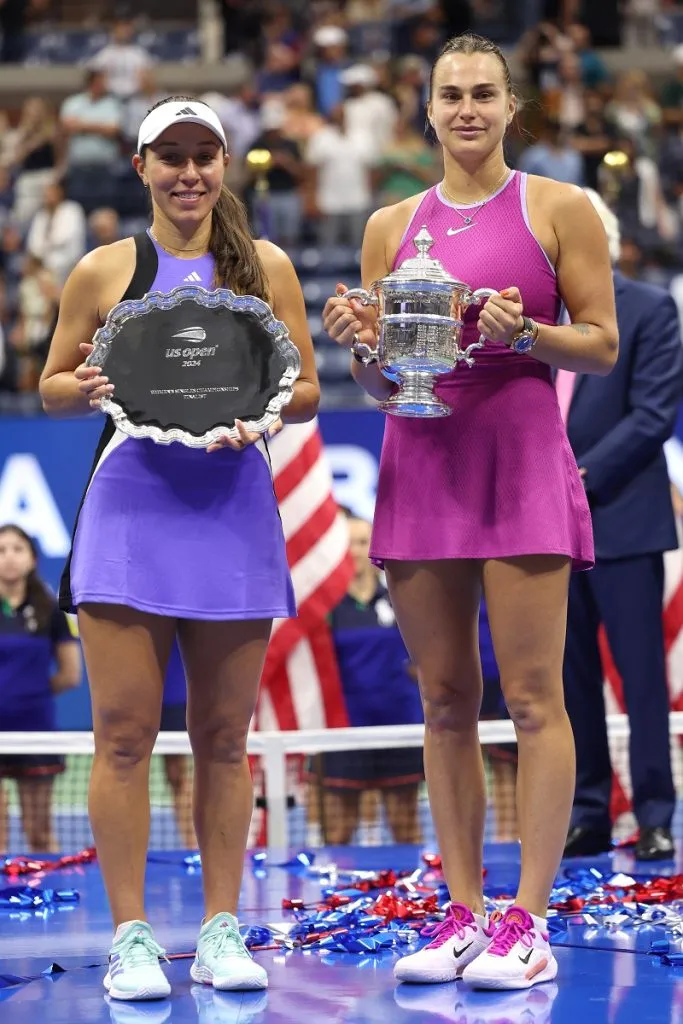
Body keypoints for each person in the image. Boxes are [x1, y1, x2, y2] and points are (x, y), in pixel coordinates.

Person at [323, 33, 618, 990]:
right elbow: (384, 382)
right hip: (421, 461)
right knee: (444, 699)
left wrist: (525, 332)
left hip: (519, 459)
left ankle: (526, 921)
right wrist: (359, 348)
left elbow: (601, 345)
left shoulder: (559, 208)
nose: (466, 110)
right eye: (450, 94)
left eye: (483, 94)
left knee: (531, 697)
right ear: (427, 109)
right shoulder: (389, 225)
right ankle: (462, 910)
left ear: (509, 106)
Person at [39, 95, 319, 1001]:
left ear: (224, 164)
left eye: (204, 155)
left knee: (224, 740)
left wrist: (262, 413)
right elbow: (50, 387)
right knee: (122, 737)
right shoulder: (102, 269)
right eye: (171, 156)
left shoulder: (266, 266)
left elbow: (306, 390)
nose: (189, 172)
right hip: (129, 514)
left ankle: (220, 932)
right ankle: (130, 939)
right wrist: (86, 385)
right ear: (142, 167)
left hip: (232, 510)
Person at [560, 189, 683, 862]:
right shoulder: (532, 316)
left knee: (641, 679)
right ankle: (588, 813)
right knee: (568, 677)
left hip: (622, 522)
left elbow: (653, 414)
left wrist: (575, 477)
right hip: (548, 528)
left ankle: (656, 813)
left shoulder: (649, 307)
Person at [311, 514, 424, 846]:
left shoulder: (399, 598)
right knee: (339, 831)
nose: (357, 551)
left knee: (405, 828)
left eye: (363, 543)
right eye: (349, 544)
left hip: (399, 728)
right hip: (343, 731)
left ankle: (412, 883)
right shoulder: (324, 607)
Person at [0, 524, 81, 853]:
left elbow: (70, 674)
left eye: (17, 549)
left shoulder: (50, 609)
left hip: (35, 731)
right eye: (1, 550)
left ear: (32, 558)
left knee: (39, 833)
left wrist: (29, 693)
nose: (9, 557)